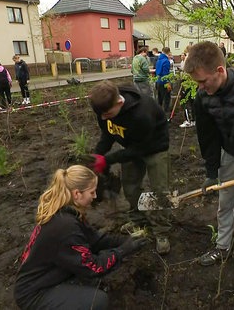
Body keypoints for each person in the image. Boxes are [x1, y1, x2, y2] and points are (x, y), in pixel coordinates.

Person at [14, 165, 148, 309]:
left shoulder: (67, 212)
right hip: (34, 295)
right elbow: (93, 267)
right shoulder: (66, 227)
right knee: (97, 301)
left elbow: (94, 240)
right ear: (77, 193)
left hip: (46, 278)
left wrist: (125, 241)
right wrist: (122, 251)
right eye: (92, 192)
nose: (95, 196)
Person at [183, 40, 234, 270]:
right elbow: (207, 137)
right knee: (226, 202)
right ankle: (222, 246)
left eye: (202, 81)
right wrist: (211, 170)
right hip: (229, 153)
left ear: (219, 71)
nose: (200, 87)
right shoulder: (203, 97)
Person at [88, 80, 172, 255]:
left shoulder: (142, 113)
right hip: (131, 146)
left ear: (119, 102)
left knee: (160, 190)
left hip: (154, 147)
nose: (104, 118)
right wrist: (99, 153)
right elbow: (109, 132)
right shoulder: (104, 108)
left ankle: (162, 230)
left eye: (107, 113)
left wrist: (108, 160)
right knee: (130, 187)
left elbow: (140, 149)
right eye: (101, 115)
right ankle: (138, 219)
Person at [178, 50, 195, 128]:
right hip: (187, 82)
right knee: (190, 102)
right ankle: (192, 120)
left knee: (186, 101)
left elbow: (187, 73)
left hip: (187, 83)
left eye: (184, 55)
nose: (182, 56)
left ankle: (189, 120)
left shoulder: (189, 63)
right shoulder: (183, 62)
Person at [155, 47, 172, 112]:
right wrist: (167, 83)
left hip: (158, 81)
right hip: (164, 83)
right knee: (166, 100)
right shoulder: (166, 61)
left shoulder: (158, 60)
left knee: (159, 100)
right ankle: (166, 115)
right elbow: (165, 74)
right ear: (168, 52)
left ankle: (158, 114)